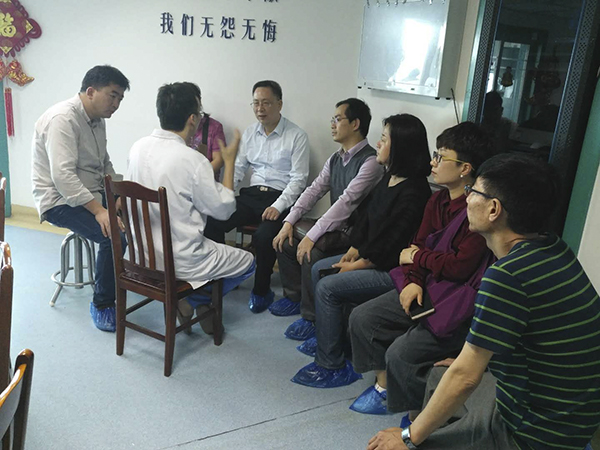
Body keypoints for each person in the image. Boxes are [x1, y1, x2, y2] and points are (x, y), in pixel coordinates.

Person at [366, 153, 600, 450]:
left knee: (402, 442)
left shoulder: (507, 276)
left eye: (473, 191)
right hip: (574, 415)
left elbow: (465, 378)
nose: (466, 198)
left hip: (534, 432)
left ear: (493, 209)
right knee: (440, 374)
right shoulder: (554, 249)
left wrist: (408, 438)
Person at [348, 122, 496, 415]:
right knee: (363, 318)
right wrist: (414, 280)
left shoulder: (476, 209)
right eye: (435, 154)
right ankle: (384, 385)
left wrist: (418, 259)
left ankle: (425, 414)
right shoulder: (437, 199)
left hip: (452, 297)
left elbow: (458, 267)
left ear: (465, 168)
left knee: (400, 354)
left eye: (441, 157)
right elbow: (413, 247)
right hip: (425, 285)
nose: (433, 162)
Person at [290, 114, 432, 387]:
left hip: (392, 270)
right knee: (319, 268)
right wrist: (354, 249)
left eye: (384, 139)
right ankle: (333, 343)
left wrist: (359, 264)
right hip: (371, 258)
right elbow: (366, 218)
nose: (378, 143)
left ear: (400, 146)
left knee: (328, 287)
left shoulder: (415, 191)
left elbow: (393, 245)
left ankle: (331, 364)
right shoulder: (390, 177)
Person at [126, 82, 255, 334]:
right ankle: (192, 301)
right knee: (248, 262)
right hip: (181, 261)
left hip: (139, 254)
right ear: (193, 119)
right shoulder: (192, 160)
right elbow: (224, 211)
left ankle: (188, 301)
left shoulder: (137, 147)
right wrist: (229, 162)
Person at [271, 98, 384, 342]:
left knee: (311, 253)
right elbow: (313, 190)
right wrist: (288, 221)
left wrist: (312, 236)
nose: (332, 124)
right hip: (336, 228)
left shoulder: (371, 162)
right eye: (333, 119)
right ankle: (295, 298)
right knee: (285, 239)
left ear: (355, 124)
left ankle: (312, 319)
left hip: (356, 235)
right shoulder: (335, 158)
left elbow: (345, 203)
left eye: (338, 119)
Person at [32, 65, 130, 332]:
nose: (116, 104)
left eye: (120, 98)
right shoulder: (62, 119)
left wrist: (117, 195)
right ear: (90, 91)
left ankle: (122, 277)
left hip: (91, 193)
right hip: (59, 201)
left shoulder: (97, 120)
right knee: (113, 236)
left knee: (136, 214)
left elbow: (105, 163)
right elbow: (62, 177)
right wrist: (100, 210)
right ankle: (102, 303)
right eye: (112, 96)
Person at [203, 80, 309, 313]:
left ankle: (261, 290)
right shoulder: (250, 133)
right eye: (256, 103)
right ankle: (222, 276)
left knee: (264, 236)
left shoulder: (297, 136)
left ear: (279, 104)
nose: (260, 109)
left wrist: (278, 206)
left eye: (266, 103)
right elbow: (238, 169)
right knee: (213, 220)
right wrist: (223, 195)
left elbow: (298, 180)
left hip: (280, 198)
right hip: (251, 196)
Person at [190, 91, 226, 177]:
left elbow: (219, 160)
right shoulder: (178, 127)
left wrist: (199, 176)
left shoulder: (214, 127)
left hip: (206, 179)